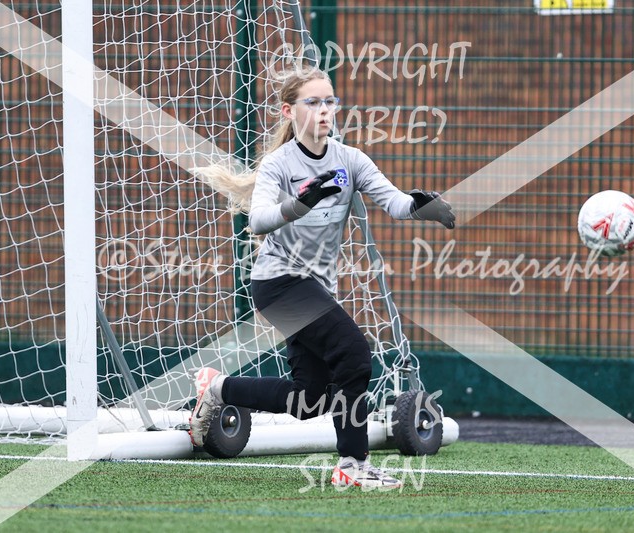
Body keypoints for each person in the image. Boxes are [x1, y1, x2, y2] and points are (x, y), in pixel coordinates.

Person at [191, 67, 454, 489]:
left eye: (329, 101)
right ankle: (352, 467)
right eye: (312, 102)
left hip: (312, 289)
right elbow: (258, 220)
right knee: (353, 355)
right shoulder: (279, 164)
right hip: (278, 284)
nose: (324, 110)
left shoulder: (351, 159)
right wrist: (299, 203)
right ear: (289, 111)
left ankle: (219, 388)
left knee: (309, 398)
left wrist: (423, 206)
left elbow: (395, 202)